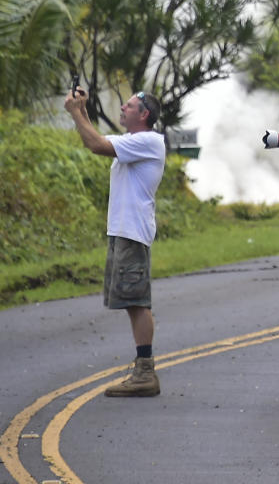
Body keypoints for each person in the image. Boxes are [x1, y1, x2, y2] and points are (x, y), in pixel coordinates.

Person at [64, 89, 166, 397]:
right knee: (132, 301)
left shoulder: (149, 141)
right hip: (124, 231)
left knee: (137, 301)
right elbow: (95, 138)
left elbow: (96, 144)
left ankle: (145, 372)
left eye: (130, 105)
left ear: (144, 114)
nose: (122, 107)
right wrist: (80, 111)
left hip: (132, 232)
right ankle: (143, 369)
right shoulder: (134, 143)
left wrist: (76, 111)